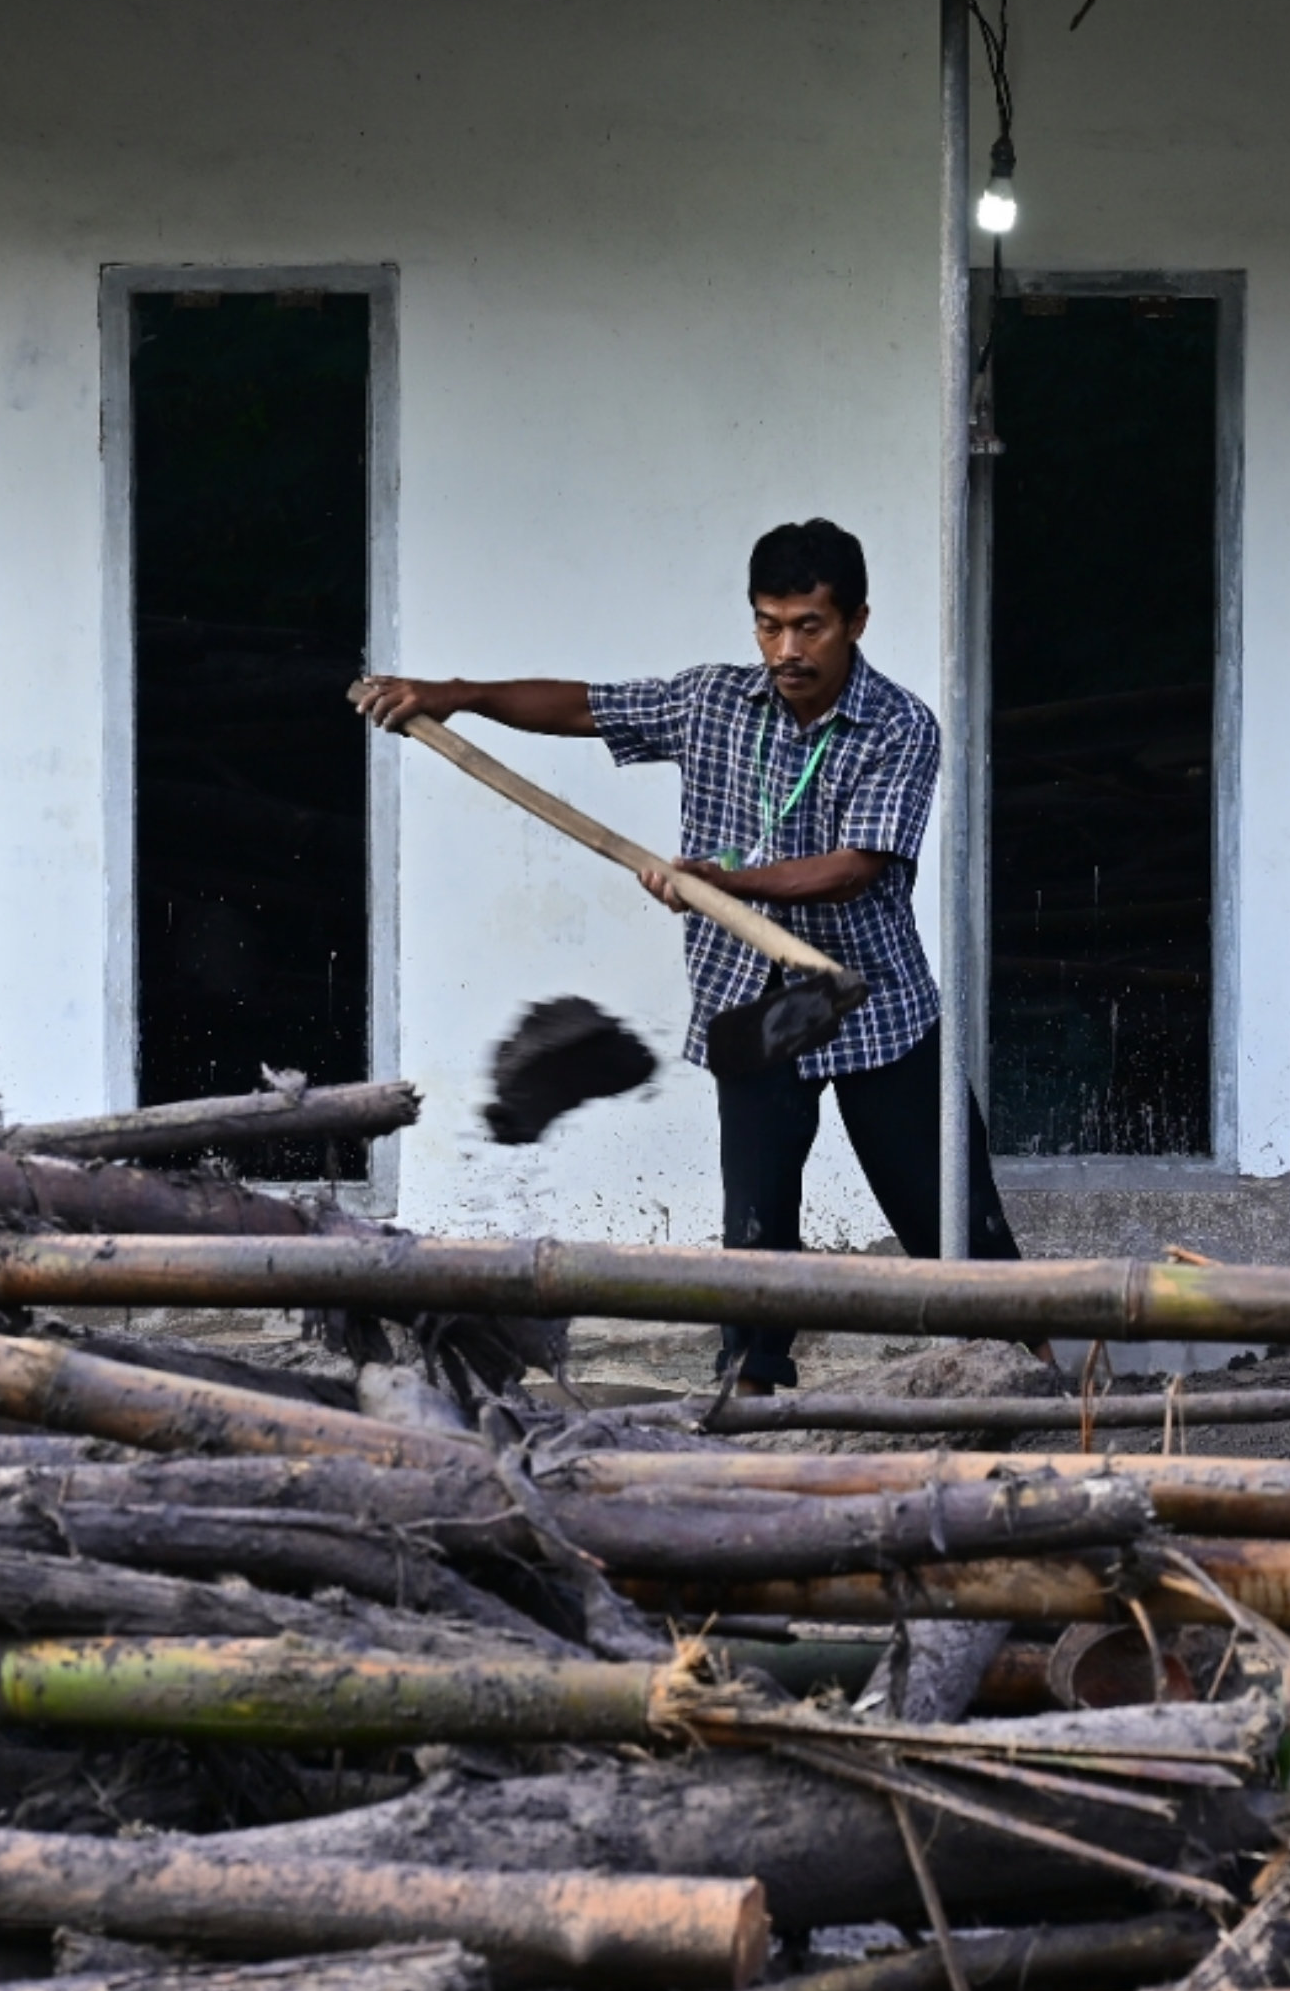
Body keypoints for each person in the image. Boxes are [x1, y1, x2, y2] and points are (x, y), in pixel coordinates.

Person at [350, 517, 1019, 1391]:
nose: (786, 648)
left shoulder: (899, 725)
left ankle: (1047, 1367)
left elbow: (854, 869)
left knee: (952, 1220)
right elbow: (585, 706)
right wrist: (457, 695)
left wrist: (725, 884)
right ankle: (750, 1391)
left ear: (856, 620)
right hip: (753, 1007)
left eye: (808, 626)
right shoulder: (710, 702)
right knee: (754, 1231)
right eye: (769, 624)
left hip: (875, 1007)